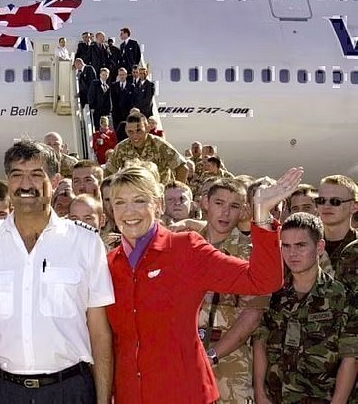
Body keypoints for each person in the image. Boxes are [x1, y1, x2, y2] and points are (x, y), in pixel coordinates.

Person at [105, 165, 303, 403]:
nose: (129, 211)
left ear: (157, 205)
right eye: (119, 202)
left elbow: (262, 280)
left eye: (139, 200)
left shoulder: (185, 248)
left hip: (184, 393)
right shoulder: (109, 263)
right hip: (130, 395)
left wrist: (261, 216)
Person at [0, 140, 114, 404]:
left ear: (55, 179)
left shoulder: (85, 244)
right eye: (17, 175)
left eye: (36, 175)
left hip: (69, 390)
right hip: (2, 391)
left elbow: (99, 331)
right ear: (8, 181)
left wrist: (103, 400)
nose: (25, 184)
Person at [253, 213, 358, 403]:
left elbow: (350, 358)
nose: (292, 253)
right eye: (286, 246)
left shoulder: (342, 298)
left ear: (319, 247)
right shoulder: (274, 294)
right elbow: (260, 342)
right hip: (276, 397)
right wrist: (259, 391)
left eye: (301, 245)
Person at [197, 179, 268, 404]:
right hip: (187, 359)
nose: (226, 212)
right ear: (205, 203)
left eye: (234, 206)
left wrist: (213, 354)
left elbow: (252, 315)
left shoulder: (250, 255)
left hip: (231, 364)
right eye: (219, 203)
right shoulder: (186, 246)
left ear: (244, 210)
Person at [105, 113, 188, 183]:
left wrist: (176, 191)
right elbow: (109, 170)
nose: (135, 136)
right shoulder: (121, 148)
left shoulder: (159, 145)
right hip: (134, 196)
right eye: (130, 132)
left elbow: (182, 168)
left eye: (139, 131)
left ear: (147, 128)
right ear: (126, 130)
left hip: (158, 195)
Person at [110, 68, 134, 142]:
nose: (122, 76)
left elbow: (133, 100)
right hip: (116, 114)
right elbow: (113, 100)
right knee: (118, 133)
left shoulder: (131, 86)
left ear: (126, 75)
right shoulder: (114, 86)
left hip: (127, 113)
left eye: (123, 74)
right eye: (120, 75)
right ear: (118, 75)